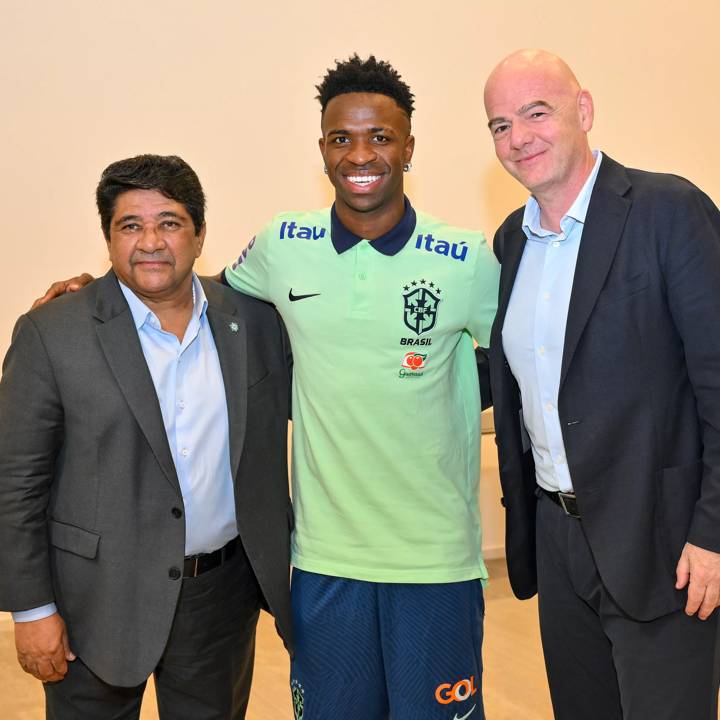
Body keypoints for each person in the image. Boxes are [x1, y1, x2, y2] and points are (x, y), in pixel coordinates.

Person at [33, 56, 500, 720]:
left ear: (409, 147)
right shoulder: (284, 243)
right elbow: (193, 290)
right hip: (321, 560)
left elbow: (528, 356)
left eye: (381, 137)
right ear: (322, 150)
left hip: (437, 562)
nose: (361, 153)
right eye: (342, 138)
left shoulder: (467, 260)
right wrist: (97, 295)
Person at [0, 154, 293, 719]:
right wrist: (32, 610)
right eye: (130, 225)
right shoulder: (53, 331)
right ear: (108, 238)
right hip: (96, 598)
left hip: (220, 594)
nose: (150, 242)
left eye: (170, 222)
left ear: (201, 233)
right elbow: (16, 482)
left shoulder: (254, 320)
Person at [484, 48, 720, 719]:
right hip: (559, 542)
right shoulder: (511, 242)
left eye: (537, 112)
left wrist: (715, 534)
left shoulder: (667, 211)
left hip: (666, 541)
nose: (518, 137)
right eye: (500, 124)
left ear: (583, 111)